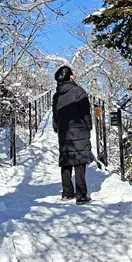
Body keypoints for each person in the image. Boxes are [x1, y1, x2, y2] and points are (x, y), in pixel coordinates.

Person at [51, 65, 94, 203]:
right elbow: (85, 112)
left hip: (64, 133)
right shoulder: (79, 91)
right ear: (70, 76)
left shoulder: (57, 95)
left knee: (66, 161)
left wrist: (57, 128)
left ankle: (67, 192)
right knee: (79, 162)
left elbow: (55, 115)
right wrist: (89, 126)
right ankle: (81, 195)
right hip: (79, 131)